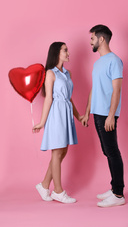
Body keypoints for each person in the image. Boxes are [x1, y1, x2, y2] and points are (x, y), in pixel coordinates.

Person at [33, 42, 83, 204]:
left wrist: (79, 116)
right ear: (57, 53)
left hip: (67, 113)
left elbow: (69, 99)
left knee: (63, 152)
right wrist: (42, 122)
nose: (68, 52)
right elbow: (48, 98)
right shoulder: (50, 73)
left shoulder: (68, 74)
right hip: (56, 114)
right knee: (57, 152)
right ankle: (58, 191)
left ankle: (44, 185)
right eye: (65, 50)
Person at [82, 25, 125, 207]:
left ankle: (118, 194)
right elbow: (94, 89)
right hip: (96, 113)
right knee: (107, 151)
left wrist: (110, 115)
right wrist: (86, 112)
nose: (90, 42)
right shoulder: (97, 62)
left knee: (112, 152)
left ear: (101, 39)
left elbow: (117, 89)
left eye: (92, 38)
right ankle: (114, 187)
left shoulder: (114, 60)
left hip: (106, 115)